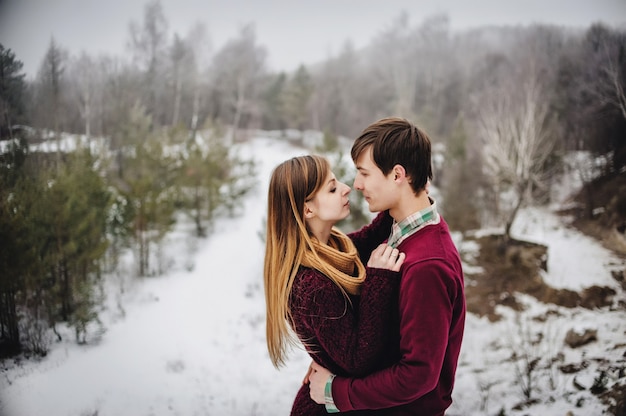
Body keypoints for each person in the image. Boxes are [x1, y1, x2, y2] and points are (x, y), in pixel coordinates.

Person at [308, 117, 466, 415]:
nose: (356, 184)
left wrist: (335, 390)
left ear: (397, 175)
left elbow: (418, 376)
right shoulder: (400, 228)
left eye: (364, 173)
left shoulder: (427, 265)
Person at [263, 154, 406, 415]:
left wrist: (400, 195)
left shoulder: (329, 248)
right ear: (308, 209)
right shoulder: (311, 287)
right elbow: (356, 359)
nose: (346, 187)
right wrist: (378, 282)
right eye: (332, 188)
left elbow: (367, 239)